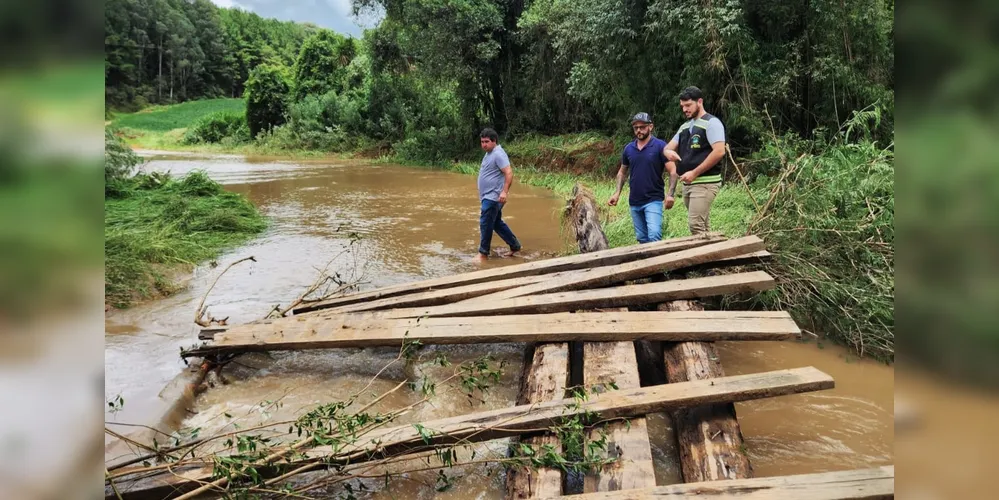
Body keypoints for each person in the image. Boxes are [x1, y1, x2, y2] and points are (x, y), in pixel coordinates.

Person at [608, 112, 680, 243]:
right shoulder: (629, 149)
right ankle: (647, 262)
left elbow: (673, 171)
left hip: (653, 199)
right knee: (642, 238)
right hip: (634, 201)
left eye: (642, 127)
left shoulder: (660, 146)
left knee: (654, 236)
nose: (639, 130)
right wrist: (617, 193)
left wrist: (670, 195)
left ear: (650, 127)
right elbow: (622, 172)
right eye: (636, 128)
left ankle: (659, 263)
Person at [665, 86, 726, 235]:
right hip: (688, 183)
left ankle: (702, 257)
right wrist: (668, 152)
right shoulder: (685, 126)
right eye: (682, 106)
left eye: (688, 105)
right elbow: (668, 147)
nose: (685, 109)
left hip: (706, 182)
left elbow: (719, 151)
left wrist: (694, 172)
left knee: (696, 225)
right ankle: (713, 255)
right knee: (703, 225)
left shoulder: (712, 123)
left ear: (699, 102)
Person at [475, 128, 522, 262]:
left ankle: (483, 254)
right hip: (489, 196)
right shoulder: (489, 153)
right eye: (482, 142)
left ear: (494, 141)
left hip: (493, 197)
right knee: (495, 223)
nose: (484, 144)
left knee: (485, 222)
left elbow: (509, 173)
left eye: (486, 142)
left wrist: (504, 192)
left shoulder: (498, 154)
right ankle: (515, 246)